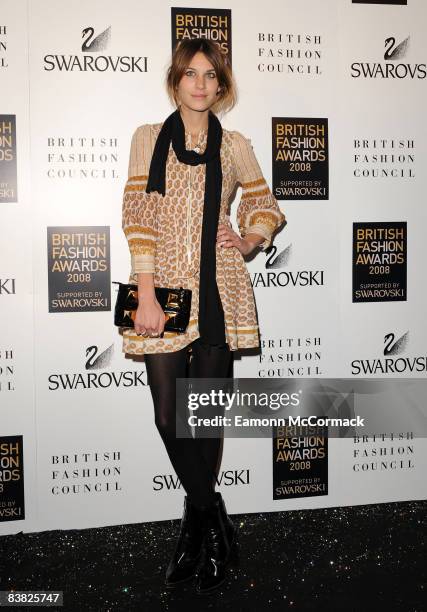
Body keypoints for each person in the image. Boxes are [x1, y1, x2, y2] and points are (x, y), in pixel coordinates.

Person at [121, 38, 286, 594]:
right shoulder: (149, 138)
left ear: (221, 86)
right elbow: (138, 215)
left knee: (204, 420)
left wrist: (246, 239)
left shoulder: (233, 145)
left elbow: (264, 204)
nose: (199, 83)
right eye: (189, 73)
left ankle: (197, 535)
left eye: (209, 75)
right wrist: (145, 291)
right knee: (170, 416)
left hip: (219, 289)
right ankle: (211, 514)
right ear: (175, 81)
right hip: (162, 289)